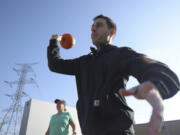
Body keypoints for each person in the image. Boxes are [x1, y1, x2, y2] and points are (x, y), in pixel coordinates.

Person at [47, 14, 180, 135]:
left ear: (111, 32)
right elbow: (55, 65)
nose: (93, 29)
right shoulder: (83, 62)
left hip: (118, 131)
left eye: (98, 25)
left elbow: (158, 71)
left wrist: (156, 85)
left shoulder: (120, 54)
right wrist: (54, 42)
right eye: (92, 27)